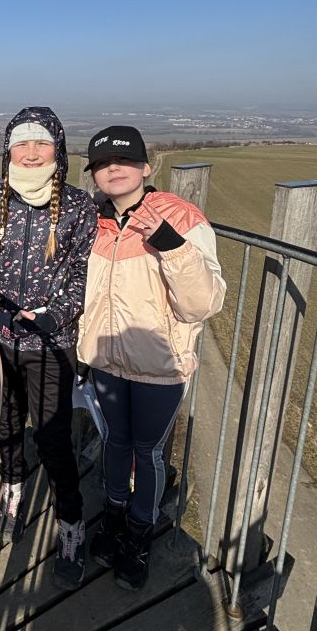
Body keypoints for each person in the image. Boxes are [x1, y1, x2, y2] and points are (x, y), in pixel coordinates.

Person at [78, 125, 226, 590]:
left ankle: (140, 533)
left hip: (160, 367)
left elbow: (203, 304)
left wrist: (170, 245)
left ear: (146, 167)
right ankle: (115, 518)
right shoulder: (92, 222)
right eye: (103, 164)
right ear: (94, 175)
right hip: (105, 360)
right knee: (115, 442)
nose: (113, 169)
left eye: (124, 161)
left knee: (149, 452)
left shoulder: (180, 217)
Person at [0, 106, 97, 590]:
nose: (32, 152)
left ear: (58, 150)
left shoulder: (78, 206)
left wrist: (57, 315)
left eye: (42, 143)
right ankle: (13, 490)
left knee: (54, 439)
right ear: (8, 150)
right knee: (5, 425)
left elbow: (82, 270)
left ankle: (71, 525)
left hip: (50, 343)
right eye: (22, 143)